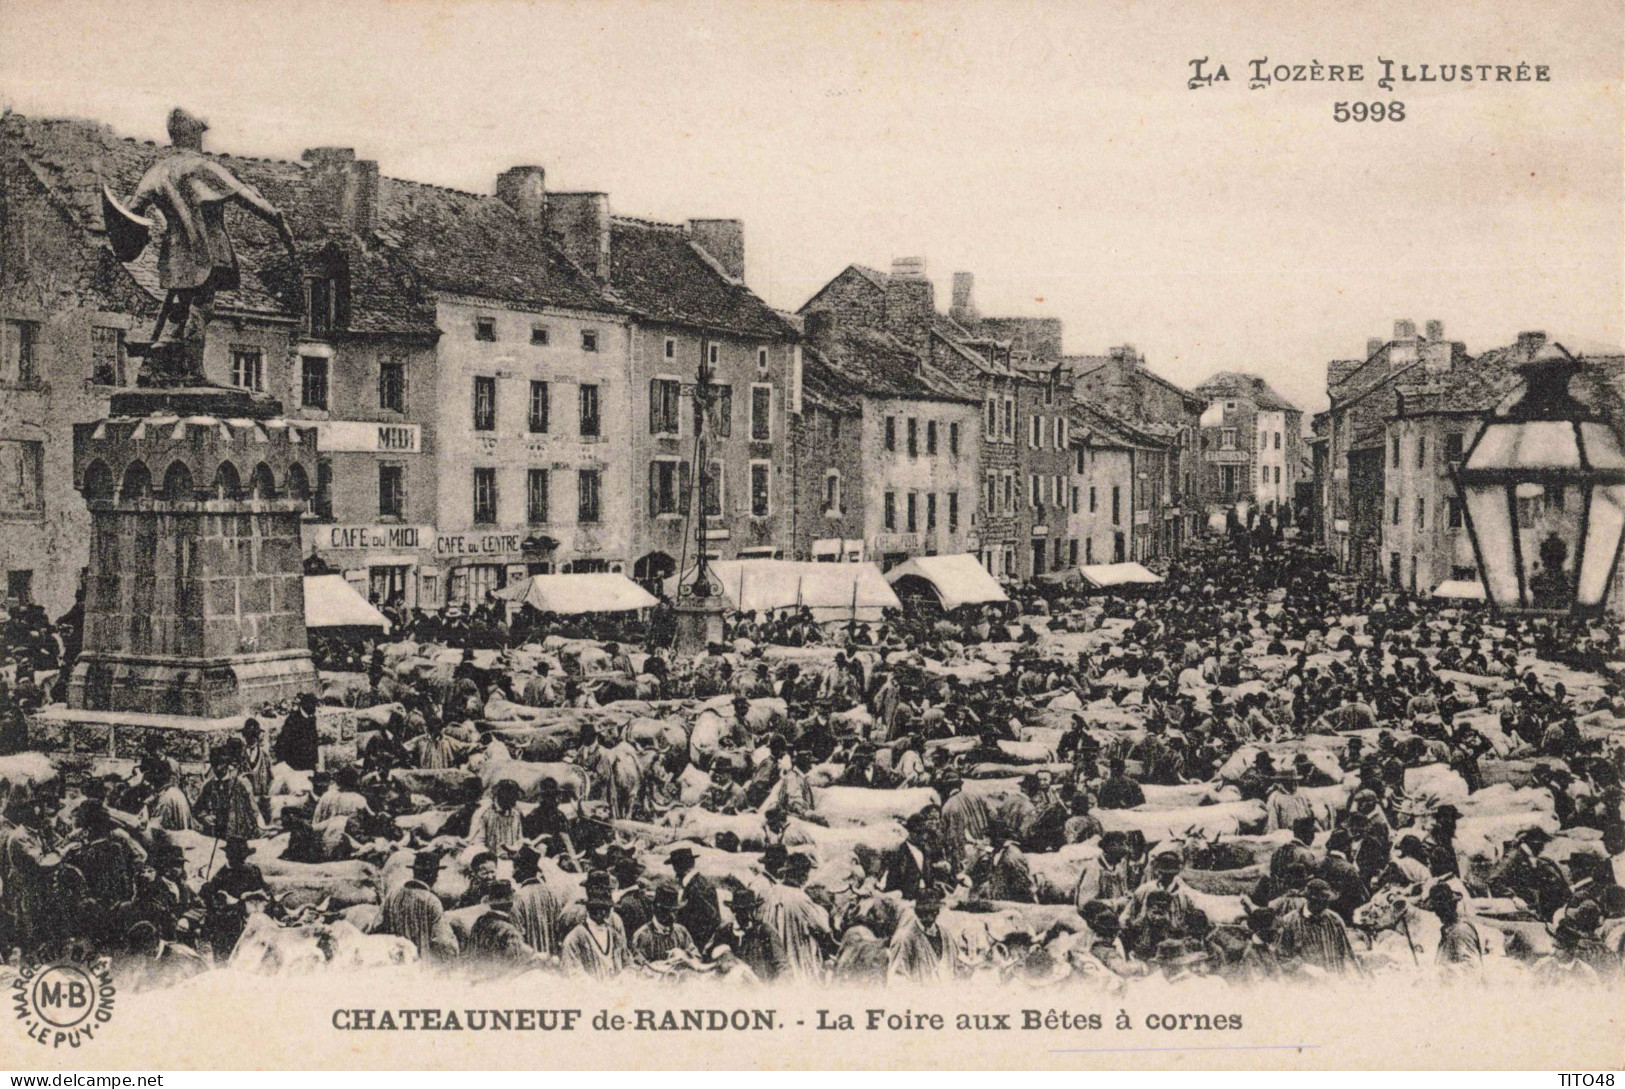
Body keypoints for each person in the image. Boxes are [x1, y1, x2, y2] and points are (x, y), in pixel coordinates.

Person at [372, 851, 458, 961]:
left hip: (395, 960)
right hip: (420, 964)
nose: (437, 877)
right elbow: (444, 941)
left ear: (414, 871)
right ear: (433, 874)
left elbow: (376, 927)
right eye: (436, 873)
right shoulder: (431, 901)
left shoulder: (392, 894)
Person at [1277, 879, 1360, 977]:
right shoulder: (1289, 922)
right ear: (1310, 900)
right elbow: (1282, 957)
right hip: (1304, 984)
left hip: (1334, 981)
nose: (1325, 905)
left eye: (1326, 901)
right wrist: (1305, 968)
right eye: (1320, 901)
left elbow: (1347, 954)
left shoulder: (1335, 920)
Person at [886, 887, 961, 984]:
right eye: (924, 912)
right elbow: (897, 978)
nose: (928, 917)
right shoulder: (904, 938)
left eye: (932, 912)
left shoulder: (946, 935)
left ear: (937, 912)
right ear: (917, 912)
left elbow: (956, 967)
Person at [560, 883, 630, 980]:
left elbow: (628, 963)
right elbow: (572, 971)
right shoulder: (575, 938)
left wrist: (622, 979)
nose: (606, 913)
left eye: (607, 908)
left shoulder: (614, 935)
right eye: (601, 908)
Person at [511, 845, 563, 958]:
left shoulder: (518, 897)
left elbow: (517, 933)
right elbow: (560, 925)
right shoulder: (551, 893)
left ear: (521, 869)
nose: (512, 872)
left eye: (514, 867)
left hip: (532, 960)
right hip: (552, 958)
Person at [727, 887, 789, 982]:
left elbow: (783, 965)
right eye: (742, 911)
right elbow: (707, 955)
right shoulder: (726, 930)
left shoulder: (765, 930)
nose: (748, 915)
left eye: (750, 910)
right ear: (734, 911)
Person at [1424, 883, 1482, 978]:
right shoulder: (1449, 929)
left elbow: (1472, 969)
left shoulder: (1460, 931)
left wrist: (1439, 971)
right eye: (1436, 910)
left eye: (1440, 910)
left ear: (1451, 907)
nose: (1437, 914)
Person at [631, 883, 698, 965]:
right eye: (667, 911)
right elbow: (637, 967)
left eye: (674, 911)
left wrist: (684, 955)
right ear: (656, 909)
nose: (672, 916)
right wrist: (664, 964)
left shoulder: (681, 932)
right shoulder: (642, 936)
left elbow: (697, 957)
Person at [669, 847, 721, 953]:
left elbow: (713, 919)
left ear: (679, 868)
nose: (675, 875)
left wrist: (697, 945)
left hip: (698, 948)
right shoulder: (697, 883)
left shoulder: (696, 888)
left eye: (675, 867)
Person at [275, 692, 322, 773]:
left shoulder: (312, 718)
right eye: (313, 705)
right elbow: (283, 741)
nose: (315, 708)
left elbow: (314, 740)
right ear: (305, 705)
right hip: (295, 763)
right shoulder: (292, 720)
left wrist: (316, 761)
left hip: (309, 762)